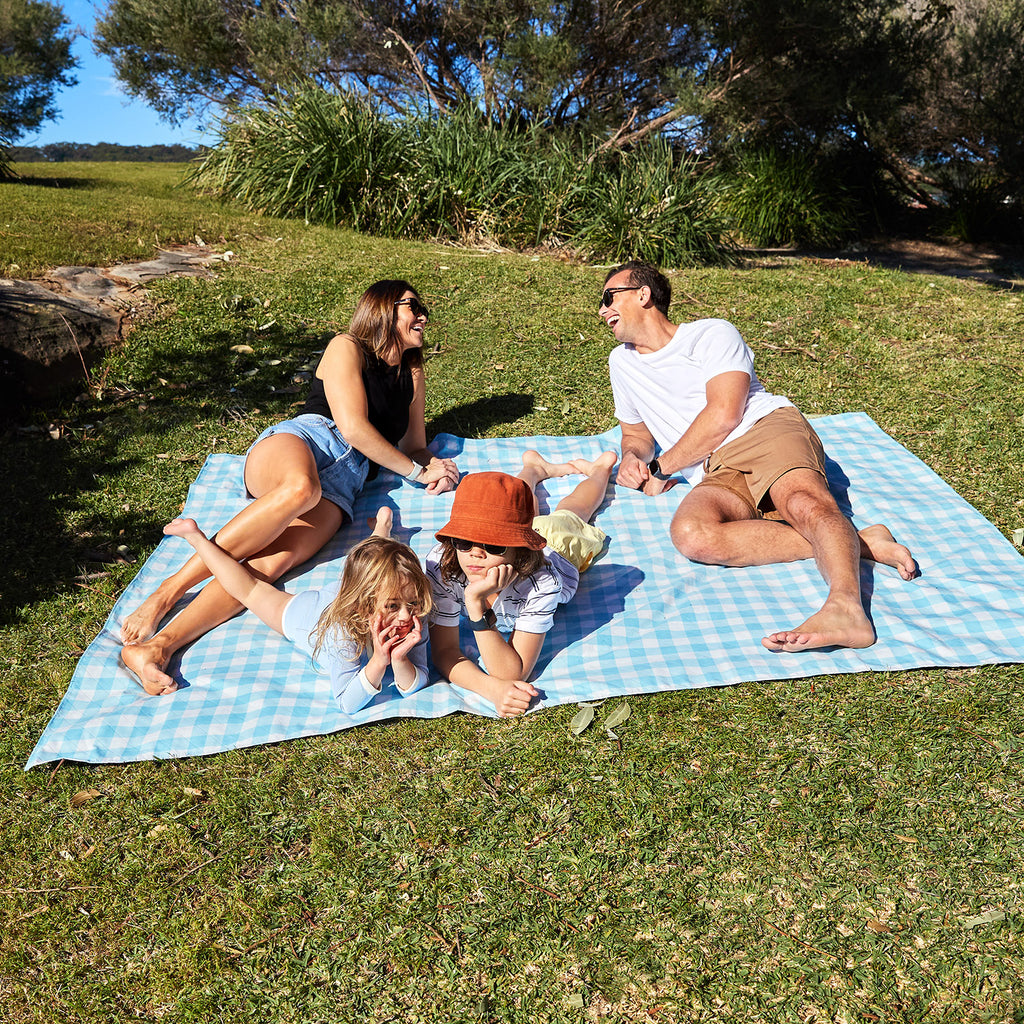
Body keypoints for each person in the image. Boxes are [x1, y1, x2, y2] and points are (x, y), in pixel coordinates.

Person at [120, 279, 458, 695]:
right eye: (411, 305)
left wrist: (434, 465)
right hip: (306, 441)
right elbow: (351, 427)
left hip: (346, 483)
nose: (422, 315)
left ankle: (158, 647)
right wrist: (415, 470)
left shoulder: (413, 371)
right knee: (300, 489)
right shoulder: (346, 347)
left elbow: (413, 446)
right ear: (382, 309)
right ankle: (166, 593)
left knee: (268, 567)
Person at [599, 259, 917, 653]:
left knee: (804, 504)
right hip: (714, 468)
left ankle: (845, 609)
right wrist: (633, 456)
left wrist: (661, 466)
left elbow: (725, 413)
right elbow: (636, 433)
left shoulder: (710, 334)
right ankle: (857, 541)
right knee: (692, 535)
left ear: (643, 295)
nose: (602, 310)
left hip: (762, 430)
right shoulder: (621, 364)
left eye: (609, 297)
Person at [161, 508, 431, 713]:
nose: (406, 616)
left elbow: (417, 683)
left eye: (412, 603)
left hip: (351, 591)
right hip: (309, 613)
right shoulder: (342, 634)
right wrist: (378, 662)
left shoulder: (412, 613)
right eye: (394, 606)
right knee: (250, 589)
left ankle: (382, 528)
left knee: (369, 564)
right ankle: (195, 538)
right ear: (364, 604)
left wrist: (399, 660)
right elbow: (347, 703)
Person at [427, 449, 617, 717]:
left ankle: (600, 471)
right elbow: (444, 652)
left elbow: (511, 672)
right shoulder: (441, 565)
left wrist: (475, 604)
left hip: (556, 548)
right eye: (463, 541)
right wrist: (491, 690)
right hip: (520, 534)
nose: (476, 554)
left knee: (573, 510)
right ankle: (534, 469)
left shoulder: (542, 582)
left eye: (494, 545)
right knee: (510, 505)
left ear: (519, 548)